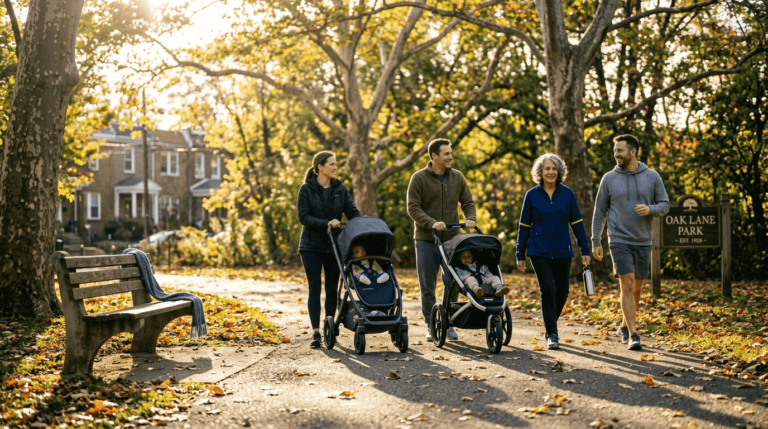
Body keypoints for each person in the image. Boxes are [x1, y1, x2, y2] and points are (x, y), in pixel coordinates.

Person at [592, 135, 669, 351]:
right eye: (615, 151)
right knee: (626, 283)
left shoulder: (652, 177)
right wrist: (596, 240)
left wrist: (650, 209)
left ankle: (625, 325)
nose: (616, 154)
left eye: (620, 151)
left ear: (632, 152)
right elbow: (599, 212)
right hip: (618, 238)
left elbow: (665, 204)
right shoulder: (608, 178)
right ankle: (634, 335)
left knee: (637, 287)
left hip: (643, 239)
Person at [516, 153, 591, 350]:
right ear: (540, 172)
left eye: (554, 168)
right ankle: (552, 333)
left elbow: (577, 224)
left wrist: (585, 249)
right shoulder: (531, 195)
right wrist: (519, 253)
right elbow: (523, 226)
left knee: (563, 291)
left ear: (560, 172)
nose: (550, 172)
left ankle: (550, 324)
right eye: (547, 168)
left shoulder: (568, 194)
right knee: (548, 289)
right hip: (538, 251)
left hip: (562, 250)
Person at [407, 138, 477, 341]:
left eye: (450, 152)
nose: (450, 156)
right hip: (426, 239)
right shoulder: (418, 178)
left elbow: (467, 202)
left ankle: (448, 321)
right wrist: (431, 223)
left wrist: (470, 218)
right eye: (446, 153)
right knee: (427, 284)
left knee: (453, 281)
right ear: (434, 156)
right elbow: (413, 207)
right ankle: (432, 323)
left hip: (452, 240)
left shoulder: (457, 177)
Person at [297, 151, 361, 348]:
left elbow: (352, 212)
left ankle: (330, 326)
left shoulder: (340, 188)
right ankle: (316, 331)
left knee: (332, 288)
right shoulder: (306, 189)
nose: (335, 167)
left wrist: (364, 225)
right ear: (319, 167)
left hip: (334, 245)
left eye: (335, 164)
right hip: (311, 246)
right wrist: (327, 223)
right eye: (331, 164)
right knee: (315, 287)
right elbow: (304, 217)